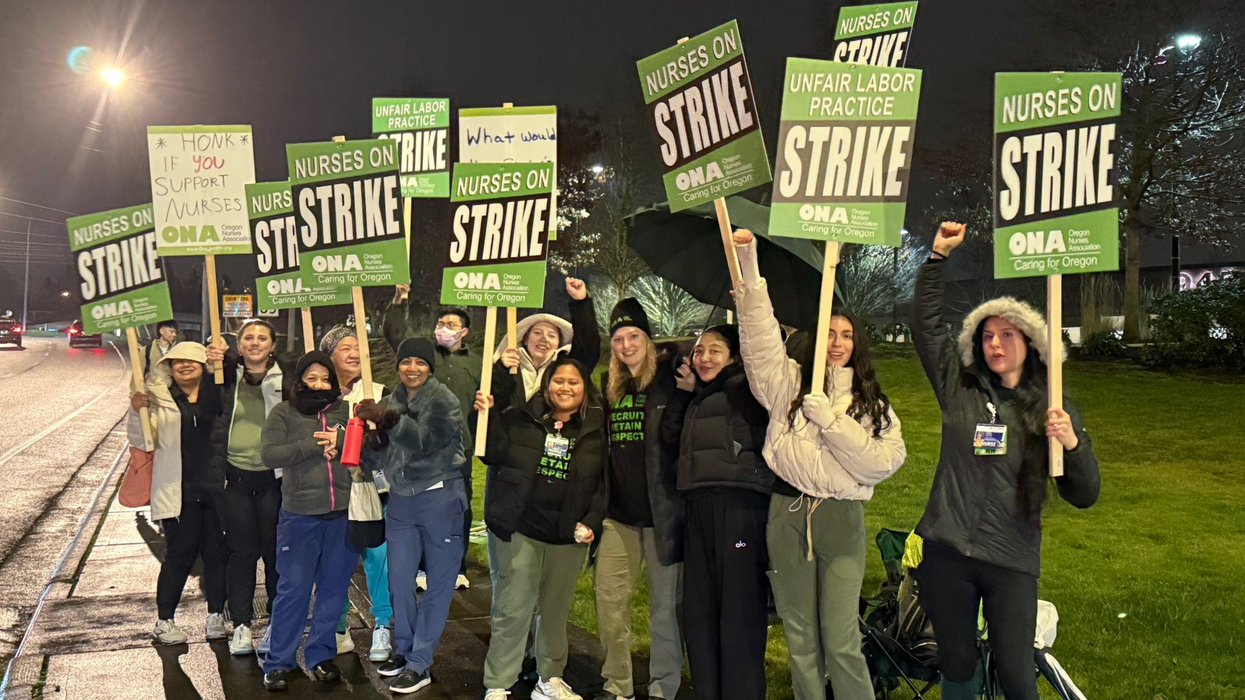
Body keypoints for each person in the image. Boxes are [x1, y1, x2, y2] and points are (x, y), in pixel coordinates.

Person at [911, 222, 1100, 700]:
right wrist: (936, 261)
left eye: (1006, 335)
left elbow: (1084, 495)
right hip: (947, 550)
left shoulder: (1052, 405)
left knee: (1017, 673)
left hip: (1010, 557)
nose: (995, 344)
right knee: (956, 664)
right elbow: (925, 325)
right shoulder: (961, 388)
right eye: (987, 336)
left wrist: (1072, 446)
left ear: (1030, 343)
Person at [732, 229, 907, 700]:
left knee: (842, 639)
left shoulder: (872, 404)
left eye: (847, 335)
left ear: (857, 344)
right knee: (801, 638)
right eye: (829, 331)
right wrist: (747, 262)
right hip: (786, 514)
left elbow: (880, 464)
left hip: (841, 520)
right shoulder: (786, 384)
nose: (837, 342)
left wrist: (830, 422)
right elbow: (760, 338)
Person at [476, 357, 608, 700]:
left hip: (567, 535)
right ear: (547, 385)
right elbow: (489, 453)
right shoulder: (522, 419)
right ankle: (499, 682)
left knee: (554, 611)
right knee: (513, 608)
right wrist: (484, 415)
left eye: (573, 382)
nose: (565, 388)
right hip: (523, 529)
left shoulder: (597, 427)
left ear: (585, 388)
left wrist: (592, 522)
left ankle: (549, 679)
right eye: (558, 381)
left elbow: (604, 485)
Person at [659, 325, 771, 700]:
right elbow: (671, 442)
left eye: (714, 351)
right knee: (700, 614)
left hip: (738, 508)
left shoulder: (744, 388)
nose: (703, 357)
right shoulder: (700, 396)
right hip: (699, 507)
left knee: (737, 613)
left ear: (736, 356)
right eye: (699, 350)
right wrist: (682, 393)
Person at [355, 338, 469, 694]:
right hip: (402, 502)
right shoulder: (391, 400)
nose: (413, 368)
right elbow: (381, 454)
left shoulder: (444, 400)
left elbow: (424, 440)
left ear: (430, 367)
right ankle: (404, 650)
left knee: (438, 583)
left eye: (421, 362)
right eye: (407, 362)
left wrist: (386, 420)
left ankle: (421, 662)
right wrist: (369, 446)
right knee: (399, 580)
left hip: (440, 498)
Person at [593, 299, 684, 700]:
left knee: (665, 610)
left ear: (649, 340)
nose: (626, 345)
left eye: (634, 336)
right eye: (618, 339)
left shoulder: (672, 378)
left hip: (664, 516)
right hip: (620, 516)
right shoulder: (610, 386)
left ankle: (664, 687)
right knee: (609, 603)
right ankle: (618, 686)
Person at [259, 352, 358, 691]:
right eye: (311, 378)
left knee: (333, 591)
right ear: (298, 381)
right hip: (300, 517)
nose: (318, 384)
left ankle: (321, 655)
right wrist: (312, 444)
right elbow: (270, 454)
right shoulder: (283, 413)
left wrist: (341, 440)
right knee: (293, 590)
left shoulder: (346, 411)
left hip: (342, 516)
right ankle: (278, 661)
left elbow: (367, 447)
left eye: (325, 378)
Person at [127, 342, 228, 645]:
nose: (184, 366)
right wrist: (137, 412)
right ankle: (164, 620)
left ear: (202, 364)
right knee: (178, 556)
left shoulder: (218, 393)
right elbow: (143, 440)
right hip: (177, 490)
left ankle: (216, 616)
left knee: (216, 555)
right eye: (177, 362)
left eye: (191, 361)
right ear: (168, 367)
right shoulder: (159, 399)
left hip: (215, 490)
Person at [201, 319, 289, 657]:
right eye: (248, 338)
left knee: (275, 554)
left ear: (273, 344)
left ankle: (277, 626)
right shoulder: (224, 377)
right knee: (241, 553)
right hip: (234, 477)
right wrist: (212, 366)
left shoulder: (287, 378)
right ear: (238, 345)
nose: (255, 343)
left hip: (274, 479)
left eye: (262, 337)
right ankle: (241, 624)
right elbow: (198, 399)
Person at [384, 296, 479, 591]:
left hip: (459, 448)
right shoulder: (426, 357)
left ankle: (457, 566)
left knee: (459, 508)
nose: (443, 328)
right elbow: (395, 334)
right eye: (441, 323)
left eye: (451, 324)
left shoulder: (478, 364)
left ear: (464, 332)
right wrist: (399, 302)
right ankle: (423, 567)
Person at [320, 325, 393, 660]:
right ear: (329, 355)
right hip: (331, 490)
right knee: (335, 561)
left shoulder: (379, 392)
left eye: (357, 346)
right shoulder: (317, 393)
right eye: (344, 347)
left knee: (378, 557)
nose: (353, 353)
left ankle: (383, 625)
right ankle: (337, 627)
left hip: (371, 486)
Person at [492, 278, 600, 412]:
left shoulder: (567, 366)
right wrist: (501, 370)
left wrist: (580, 303)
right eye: (537, 333)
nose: (544, 339)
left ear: (559, 344)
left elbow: (588, 345)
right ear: (525, 338)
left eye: (552, 336)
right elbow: (493, 404)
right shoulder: (506, 366)